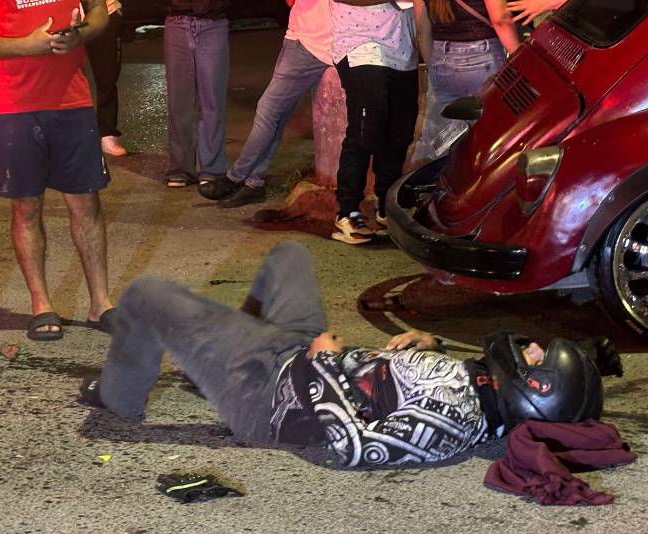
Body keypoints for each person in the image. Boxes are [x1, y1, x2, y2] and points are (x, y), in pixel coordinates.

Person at [79, 241, 605, 468]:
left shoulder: (449, 426)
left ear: (534, 392)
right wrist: (428, 345)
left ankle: (120, 398)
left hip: (265, 400)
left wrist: (326, 363)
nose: (531, 349)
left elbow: (352, 445)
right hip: (293, 356)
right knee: (289, 257)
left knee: (146, 293)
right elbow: (415, 380)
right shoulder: (484, 392)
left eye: (537, 360)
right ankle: (212, 367)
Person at [0, 0, 117, 342]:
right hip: (9, 105)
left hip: (71, 101)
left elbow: (100, 12)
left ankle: (100, 303)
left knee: (86, 204)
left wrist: (80, 35)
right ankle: (41, 304)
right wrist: (24, 46)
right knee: (26, 207)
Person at [199, 0, 333, 209]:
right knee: (276, 115)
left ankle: (235, 178)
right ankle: (253, 182)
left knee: (268, 112)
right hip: (308, 38)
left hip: (311, 43)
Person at [329, 0, 421, 245]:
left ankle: (387, 207)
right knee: (365, 132)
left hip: (403, 49)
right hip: (362, 46)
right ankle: (347, 212)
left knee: (399, 133)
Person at [412, 0, 519, 161]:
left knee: (441, 140)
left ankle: (441, 181)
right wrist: (520, 57)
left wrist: (433, 65)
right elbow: (500, 20)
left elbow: (422, 30)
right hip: (483, 58)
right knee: (489, 138)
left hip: (442, 59)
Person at [163, 0, 231, 193]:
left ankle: (212, 169)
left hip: (213, 23)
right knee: (179, 102)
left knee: (212, 101)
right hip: (177, 21)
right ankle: (180, 168)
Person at [87, 0, 127, 157]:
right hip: (60, 15)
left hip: (105, 12)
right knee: (59, 79)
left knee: (107, 77)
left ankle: (107, 133)